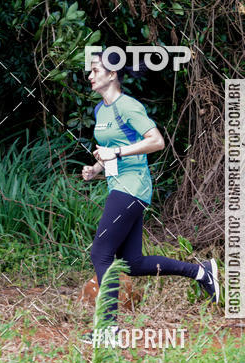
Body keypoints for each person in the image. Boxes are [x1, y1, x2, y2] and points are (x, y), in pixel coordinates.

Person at [80, 51, 220, 340]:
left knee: (100, 252)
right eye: (90, 71)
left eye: (95, 70)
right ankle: (201, 272)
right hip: (119, 187)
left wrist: (117, 152)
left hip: (132, 187)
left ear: (112, 74)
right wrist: (96, 169)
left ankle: (108, 329)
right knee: (132, 263)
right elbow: (111, 149)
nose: (90, 76)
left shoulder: (128, 106)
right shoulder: (100, 110)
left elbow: (156, 141)